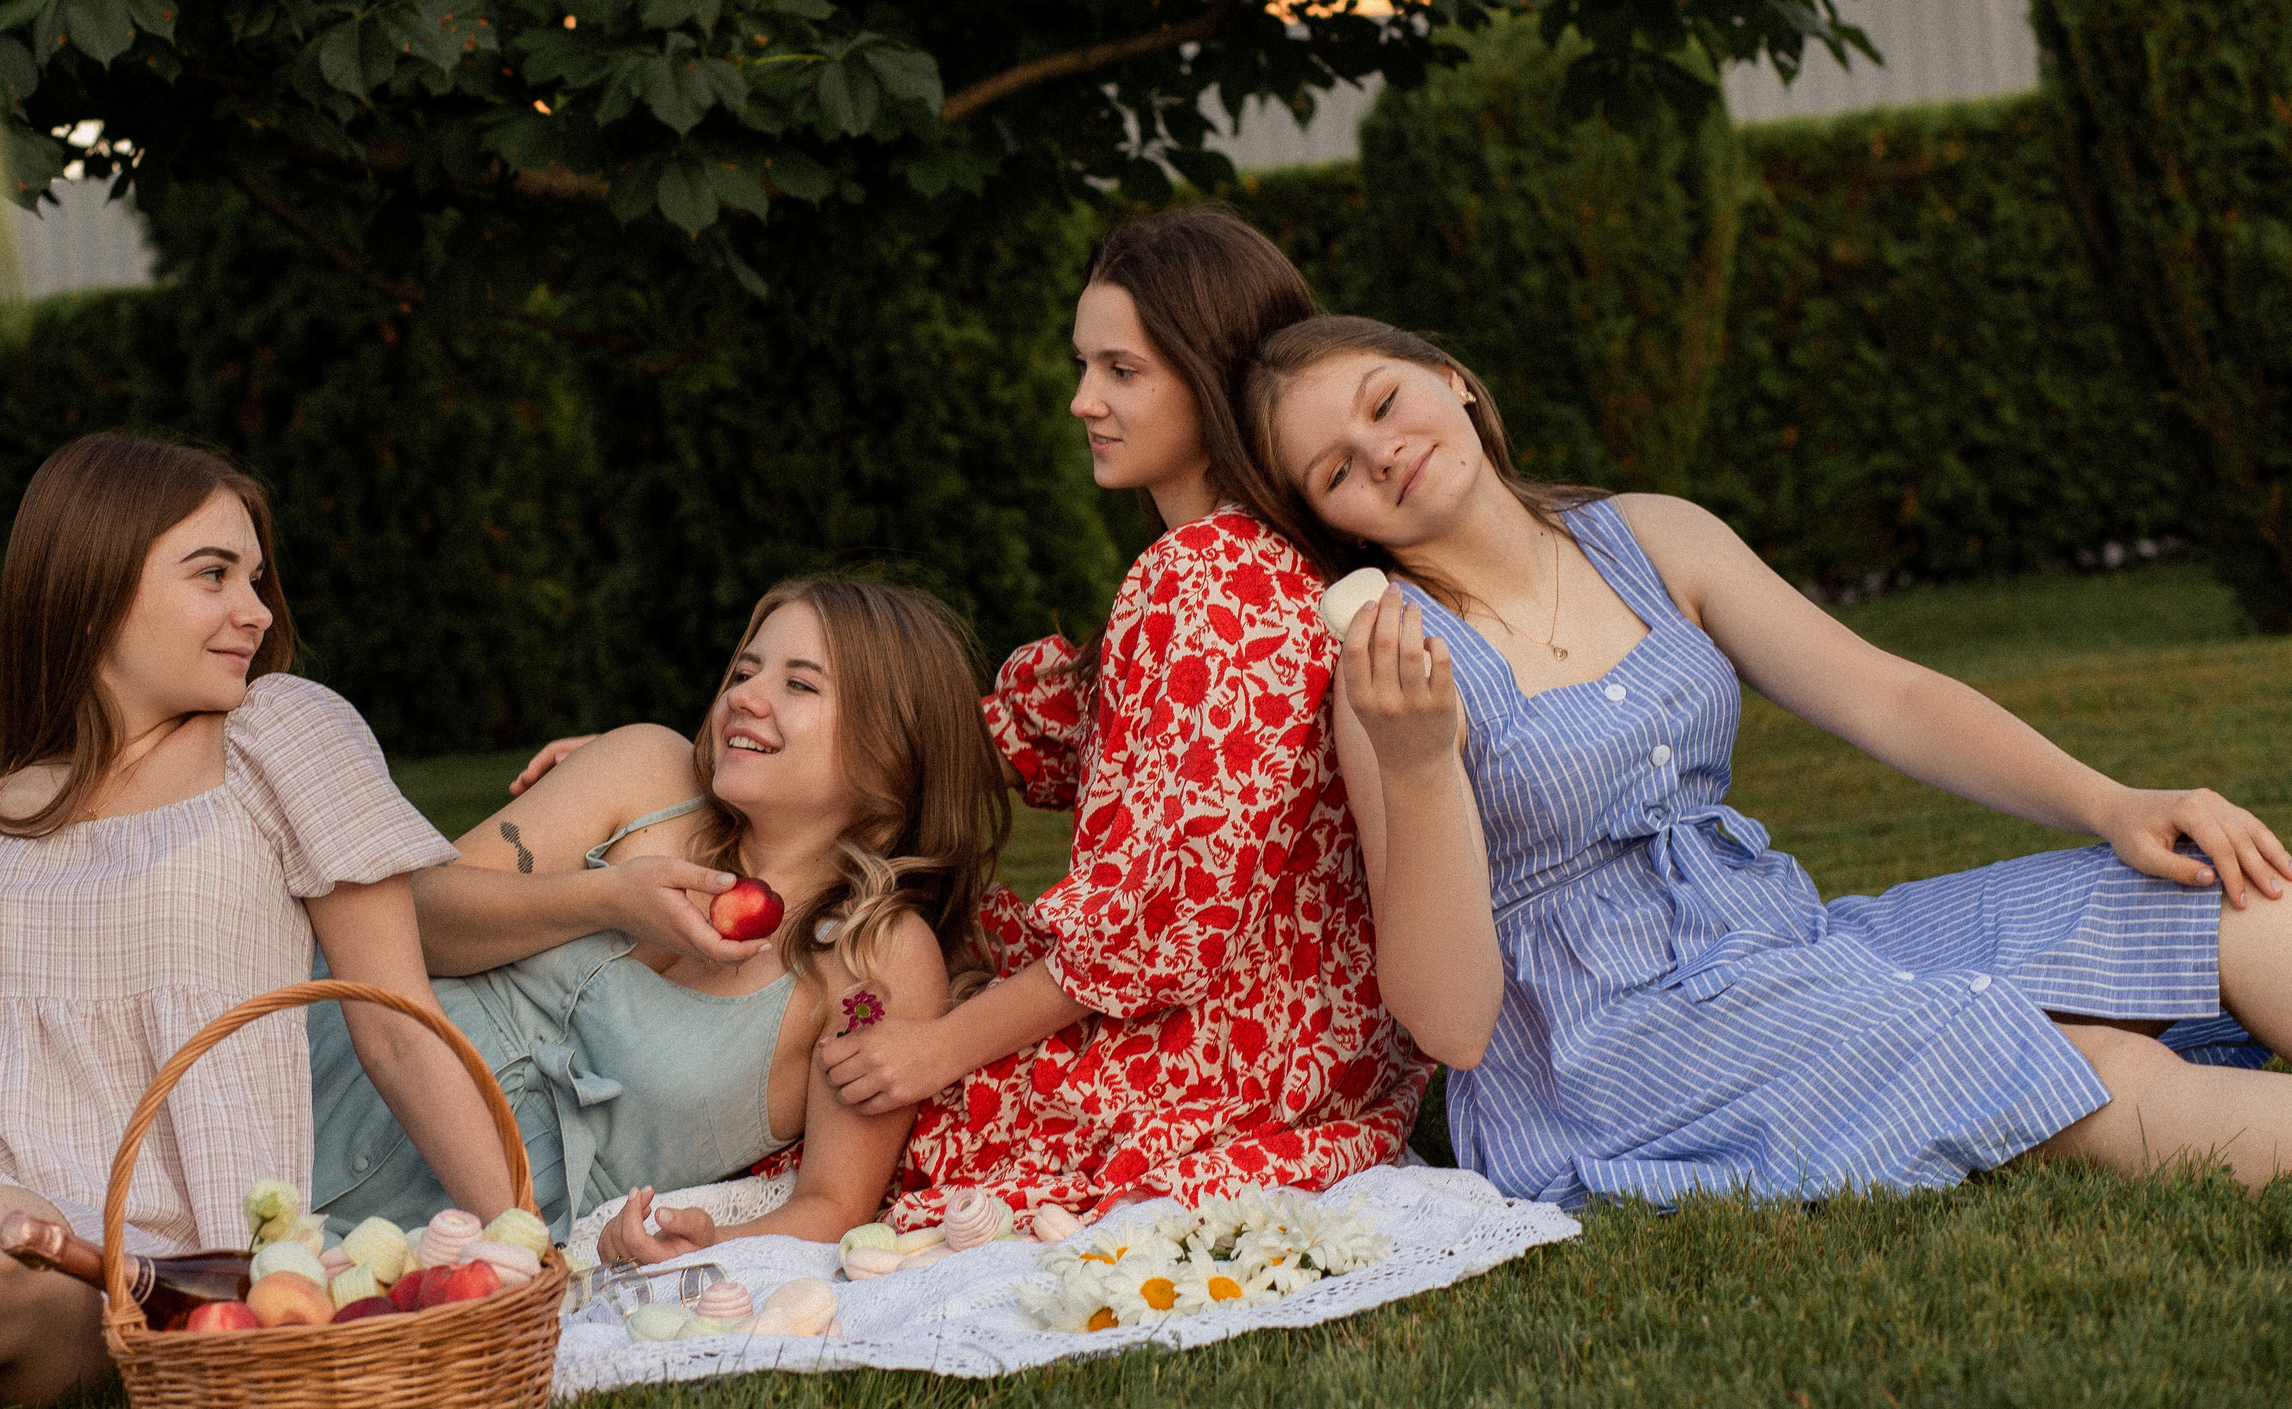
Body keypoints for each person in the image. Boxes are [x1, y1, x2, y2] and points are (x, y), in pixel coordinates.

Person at [1243, 313, 2292, 1208]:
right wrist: (1420, 766)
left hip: (1795, 940)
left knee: (2222, 895)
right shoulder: (1390, 673)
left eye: (1383, 403)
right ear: (1328, 518)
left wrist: (2110, 803)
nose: (1377, 451)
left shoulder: (1647, 537)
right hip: (1618, 1042)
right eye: (1334, 468)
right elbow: (1450, 1023)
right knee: (2083, 1061)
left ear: (1450, 378)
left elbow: (1888, 696)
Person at [0, 433, 509, 1409]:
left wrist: (523, 1237)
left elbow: (396, 1024)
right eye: (214, 574)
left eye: (257, 580)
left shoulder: (281, 737)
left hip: (140, 1248)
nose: (255, 613)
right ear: (94, 582)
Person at [798, 206, 1428, 1228]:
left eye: (1121, 371)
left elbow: (1152, 923)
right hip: (1318, 1050)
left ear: (1213, 379)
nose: (1082, 400)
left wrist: (933, 1053)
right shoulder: (1263, 564)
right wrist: (720, 755)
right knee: (871, 974)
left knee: (849, 1051)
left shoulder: (1204, 581)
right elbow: (1015, 734)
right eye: (1083, 365)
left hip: (1223, 1063)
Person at [312, 576, 1011, 1264]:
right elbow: (407, 918)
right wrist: (606, 898)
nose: (745, 695)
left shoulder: (873, 958)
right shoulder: (646, 772)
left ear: (892, 751)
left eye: (800, 684)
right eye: (744, 669)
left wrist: (708, 1241)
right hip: (312, 1060)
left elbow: (832, 1204)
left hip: (444, 1234)